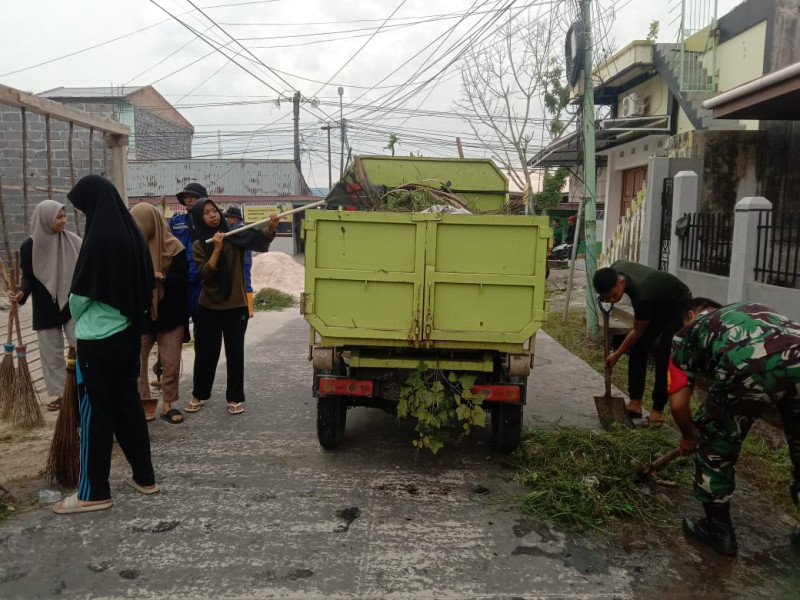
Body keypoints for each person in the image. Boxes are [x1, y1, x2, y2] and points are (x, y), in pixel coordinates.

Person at [53, 175, 158, 514]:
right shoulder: (132, 236)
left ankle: (93, 492)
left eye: (83, 208)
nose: (83, 215)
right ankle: (145, 478)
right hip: (128, 336)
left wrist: (71, 305)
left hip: (97, 342)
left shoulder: (98, 239)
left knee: (94, 414)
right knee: (128, 408)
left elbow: (80, 297)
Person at [668, 298, 800, 556]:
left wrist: (689, 437)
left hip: (748, 363)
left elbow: (678, 403)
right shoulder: (755, 308)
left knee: (715, 440)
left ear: (692, 315)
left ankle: (718, 529)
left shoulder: (686, 334)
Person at [184, 199, 279, 416]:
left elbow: (260, 239)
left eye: (214, 211)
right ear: (200, 218)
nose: (213, 215)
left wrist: (272, 227)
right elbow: (206, 273)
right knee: (206, 353)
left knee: (235, 353)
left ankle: (235, 397)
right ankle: (199, 394)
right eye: (207, 213)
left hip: (236, 305)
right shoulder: (199, 244)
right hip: (208, 306)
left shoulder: (235, 236)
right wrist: (216, 249)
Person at [592, 260, 692, 427]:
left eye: (613, 296)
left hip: (677, 303)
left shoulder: (642, 295)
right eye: (605, 297)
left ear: (621, 282)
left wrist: (616, 354)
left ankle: (657, 411)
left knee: (664, 354)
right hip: (656, 299)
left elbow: (637, 331)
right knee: (637, 347)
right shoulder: (614, 270)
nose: (609, 300)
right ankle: (635, 403)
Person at [12, 200, 81, 411]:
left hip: (71, 305)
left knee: (81, 347)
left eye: (64, 216)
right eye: (58, 217)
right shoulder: (30, 246)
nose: (63, 221)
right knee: (52, 354)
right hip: (44, 307)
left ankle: (81, 388)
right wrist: (22, 292)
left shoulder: (74, 242)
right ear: (45, 218)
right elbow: (29, 276)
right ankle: (61, 394)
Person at [131, 203, 190, 425]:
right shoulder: (133, 249)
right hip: (142, 314)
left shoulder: (175, 248)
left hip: (170, 313)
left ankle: (168, 404)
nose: (136, 228)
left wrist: (159, 276)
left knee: (171, 362)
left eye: (139, 223)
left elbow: (182, 280)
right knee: (137, 361)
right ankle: (144, 402)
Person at [169, 182, 206, 318]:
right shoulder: (175, 222)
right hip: (180, 279)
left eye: (193, 197)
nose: (189, 200)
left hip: (201, 280)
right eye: (186, 197)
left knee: (201, 320)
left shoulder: (209, 221)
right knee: (179, 321)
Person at [224, 206, 254, 318]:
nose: (228, 220)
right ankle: (246, 308)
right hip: (245, 260)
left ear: (234, 218)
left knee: (245, 284)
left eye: (229, 218)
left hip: (243, 260)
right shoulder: (239, 227)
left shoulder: (239, 229)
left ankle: (249, 310)